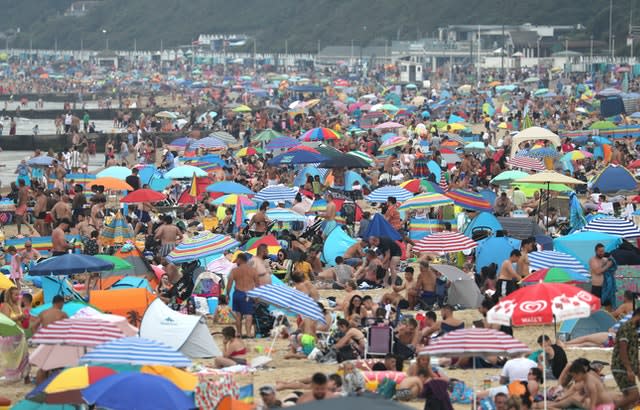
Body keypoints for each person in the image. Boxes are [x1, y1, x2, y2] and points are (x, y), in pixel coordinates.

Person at [611, 307, 640, 409]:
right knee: (634, 395)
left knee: (628, 399)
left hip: (626, 367)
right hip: (621, 367)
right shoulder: (626, 328)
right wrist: (629, 369)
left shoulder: (632, 329)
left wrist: (636, 368)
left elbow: (631, 352)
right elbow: (623, 349)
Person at [0, 287, 29, 383]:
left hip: (19, 333)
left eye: (19, 294)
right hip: (10, 335)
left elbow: (19, 318)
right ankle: (12, 375)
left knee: (24, 355)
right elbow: (6, 320)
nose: (18, 296)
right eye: (15, 294)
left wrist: (24, 318)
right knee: (11, 357)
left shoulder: (17, 305)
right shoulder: (5, 306)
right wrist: (20, 316)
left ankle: (24, 375)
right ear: (10, 295)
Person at [226, 253, 259, 338]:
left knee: (238, 315)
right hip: (248, 294)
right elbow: (258, 284)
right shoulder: (253, 270)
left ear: (240, 259)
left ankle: (239, 333)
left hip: (237, 293)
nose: (236, 261)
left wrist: (227, 294)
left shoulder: (234, 271)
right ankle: (248, 334)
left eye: (237, 259)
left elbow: (229, 283)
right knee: (249, 314)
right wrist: (257, 296)